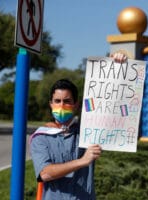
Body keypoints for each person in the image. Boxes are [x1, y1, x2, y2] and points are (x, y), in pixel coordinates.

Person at [30, 52, 128, 200]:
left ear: (76, 105)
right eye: (57, 101)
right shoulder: (40, 136)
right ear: (50, 104)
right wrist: (83, 161)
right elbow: (44, 173)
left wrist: (116, 64)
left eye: (67, 101)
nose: (61, 105)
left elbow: (114, 108)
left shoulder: (88, 131)